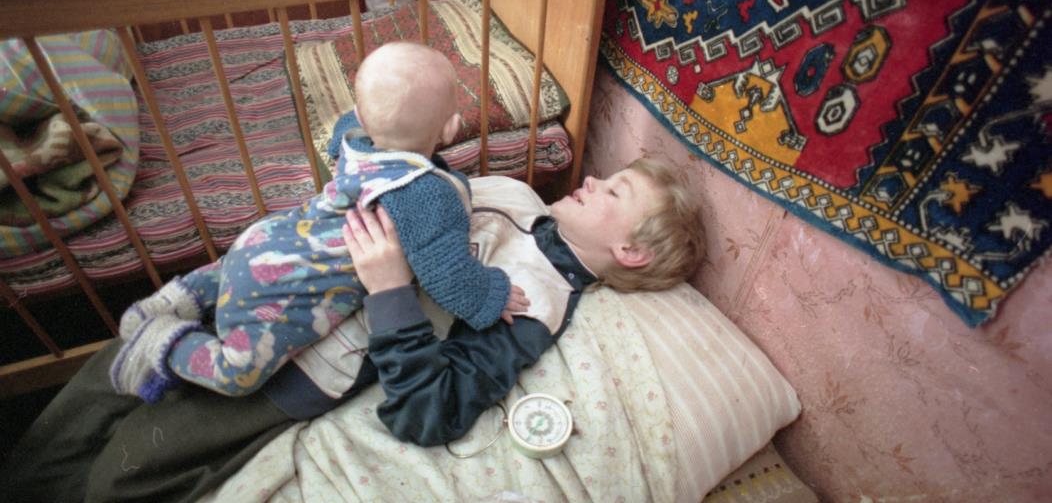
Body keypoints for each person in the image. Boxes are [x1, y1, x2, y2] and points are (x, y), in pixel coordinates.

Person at [0, 158, 703, 503]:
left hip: (295, 358)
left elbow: (428, 409)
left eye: (615, 191)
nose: (594, 179)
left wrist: (392, 290)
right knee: (103, 381)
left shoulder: (541, 303)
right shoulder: (515, 195)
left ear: (631, 252)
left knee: (127, 464)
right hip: (275, 277)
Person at [110, 42, 529, 403]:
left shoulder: (354, 143)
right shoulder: (425, 195)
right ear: (452, 128)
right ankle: (162, 342)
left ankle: (168, 301)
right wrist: (488, 296)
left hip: (266, 238)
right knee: (237, 373)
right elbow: (447, 273)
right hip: (282, 284)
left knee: (229, 272)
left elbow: (345, 122)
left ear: (361, 118)